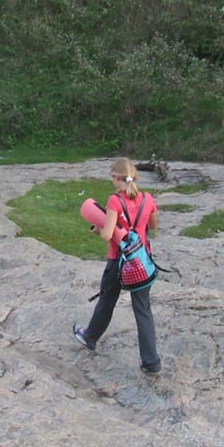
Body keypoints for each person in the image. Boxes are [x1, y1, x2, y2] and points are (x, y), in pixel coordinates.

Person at [72, 158, 162, 375]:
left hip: (118, 261)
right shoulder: (147, 199)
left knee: (107, 300)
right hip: (141, 260)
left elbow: (106, 235)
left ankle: (90, 337)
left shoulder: (114, 201)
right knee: (143, 309)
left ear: (116, 177)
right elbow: (153, 226)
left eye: (111, 176)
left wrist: (98, 228)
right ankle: (151, 362)